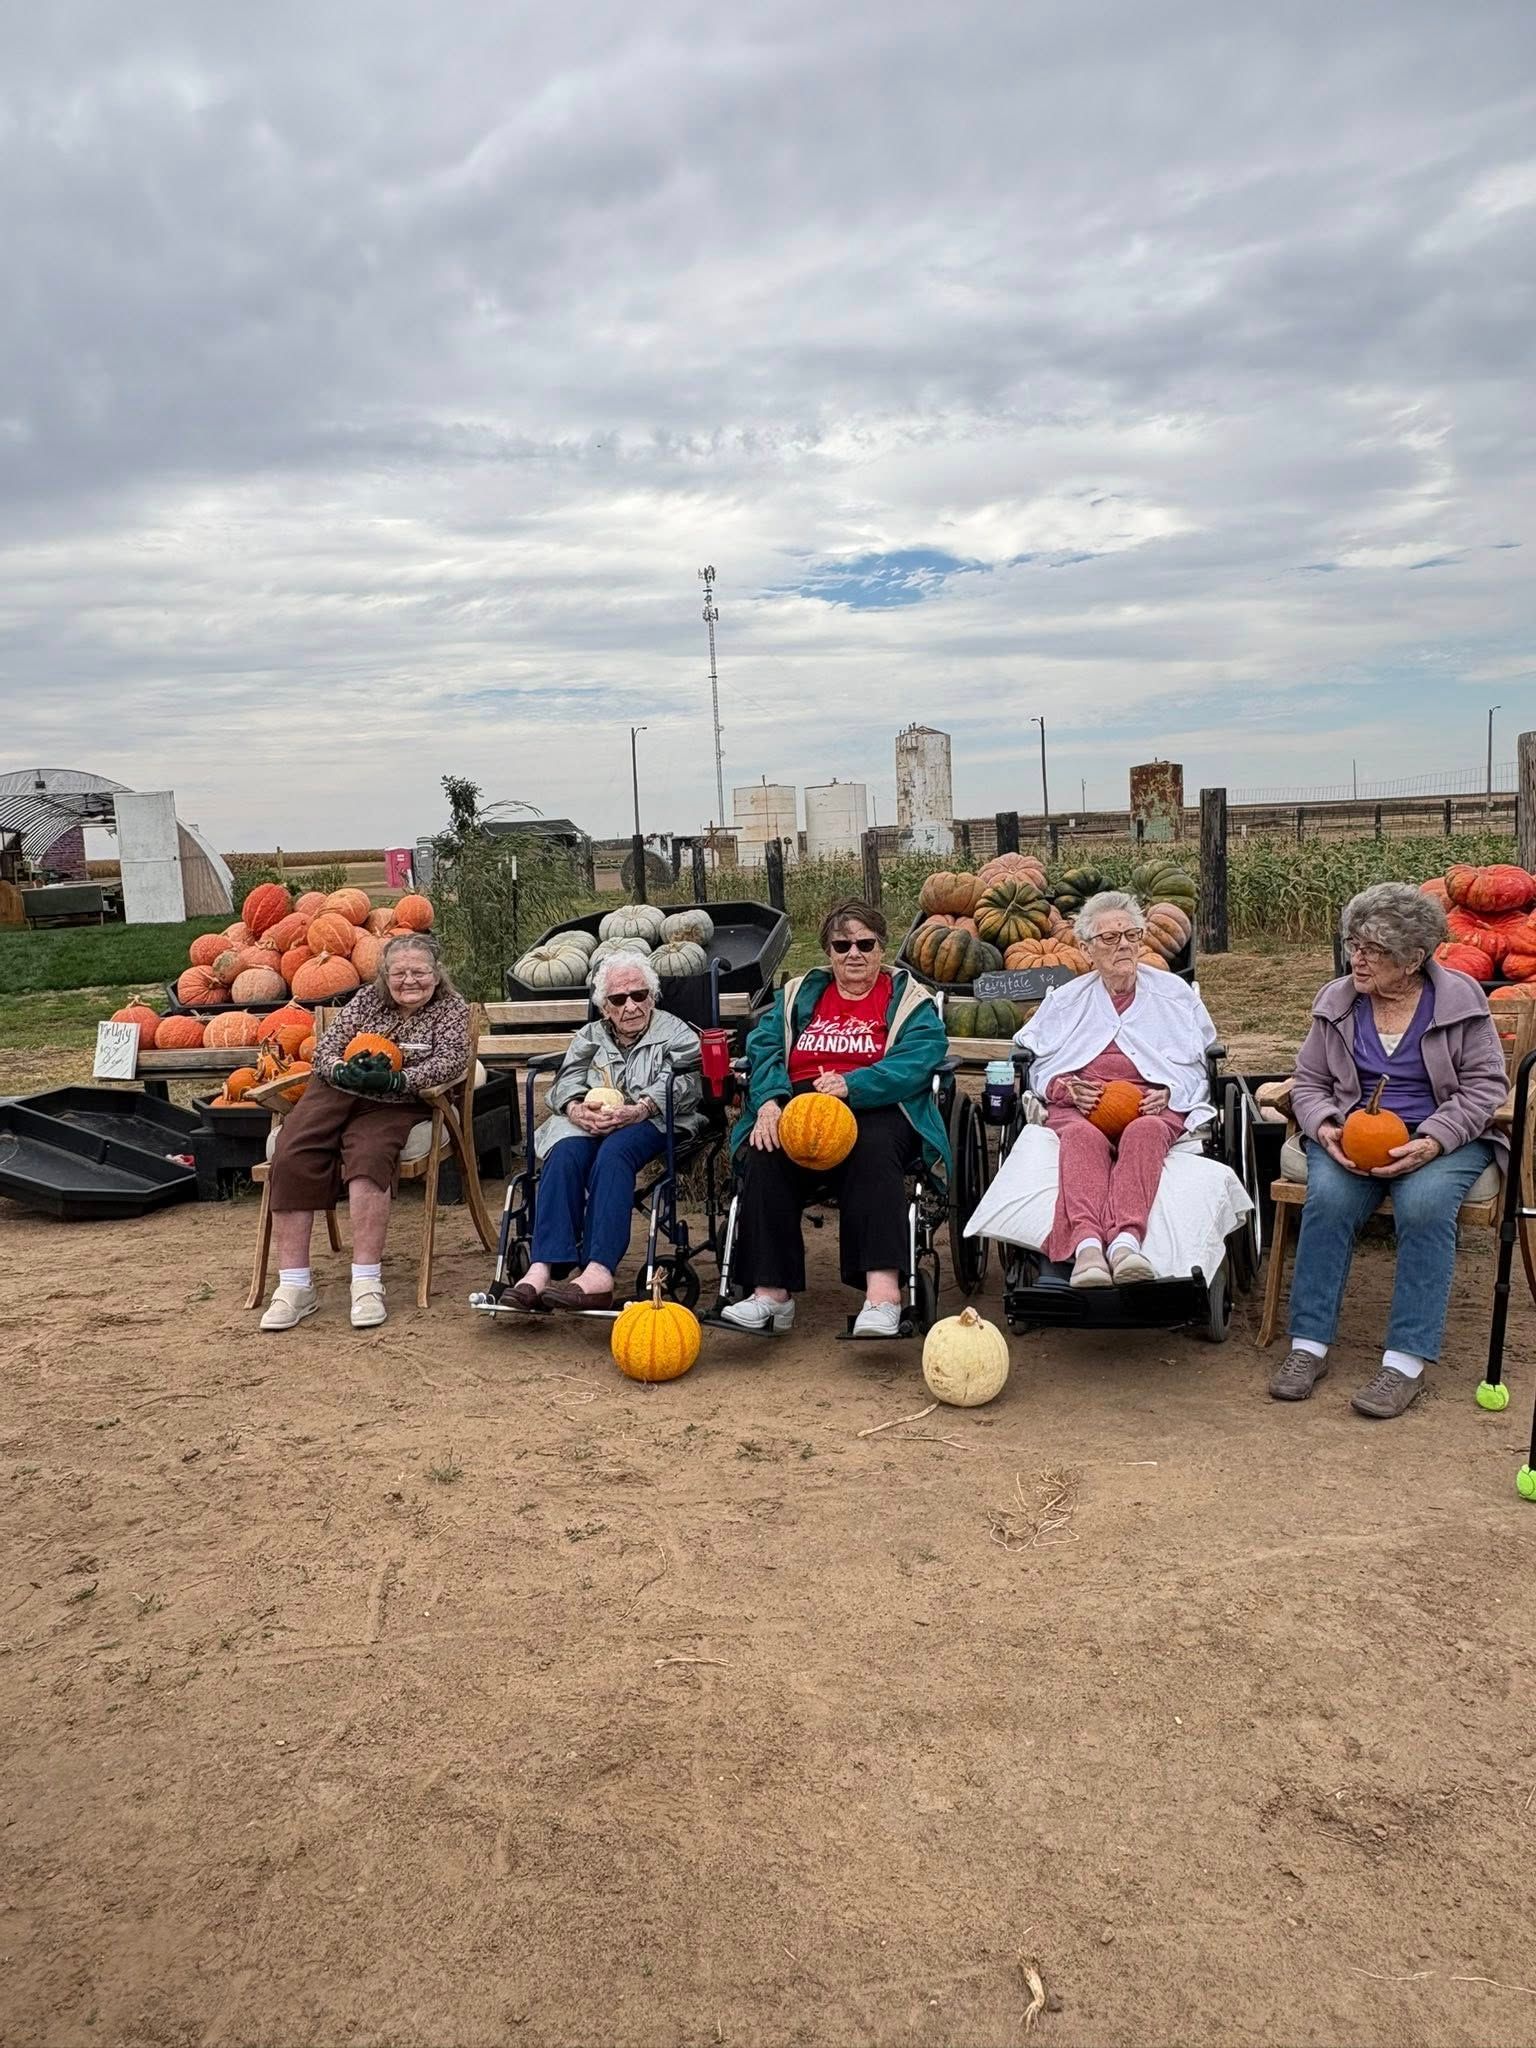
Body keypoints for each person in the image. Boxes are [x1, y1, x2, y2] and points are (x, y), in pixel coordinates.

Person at [1270, 882, 1507, 1418]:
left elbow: (1487, 1087)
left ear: (1413, 959)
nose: (1358, 959)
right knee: (1328, 1201)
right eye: (1355, 945)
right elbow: (1307, 1081)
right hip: (1355, 1136)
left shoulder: (1460, 1001)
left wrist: (1434, 1139)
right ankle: (1308, 1347)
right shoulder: (1338, 1002)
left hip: (1444, 1138)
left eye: (1374, 950)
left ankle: (1404, 1363)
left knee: (1424, 1206)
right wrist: (1325, 1125)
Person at [721, 899, 950, 1337]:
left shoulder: (907, 999)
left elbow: (921, 1057)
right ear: (828, 951)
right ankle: (771, 1294)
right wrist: (769, 1100)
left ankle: (883, 1295)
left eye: (866, 943)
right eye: (842, 945)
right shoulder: (800, 994)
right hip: (801, 1099)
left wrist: (855, 1084)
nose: (854, 954)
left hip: (880, 1102)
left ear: (882, 948)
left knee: (872, 1147)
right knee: (766, 1149)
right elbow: (764, 1047)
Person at [260, 932, 472, 1332]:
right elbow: (325, 1049)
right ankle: (294, 1286)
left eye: (420, 972)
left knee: (370, 1161)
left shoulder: (451, 1009)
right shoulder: (367, 1000)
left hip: (396, 1100)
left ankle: (367, 1281)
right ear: (384, 975)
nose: (410, 981)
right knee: (292, 1152)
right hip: (337, 1090)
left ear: (437, 973)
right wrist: (339, 1069)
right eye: (399, 973)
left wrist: (399, 1081)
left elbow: (451, 1061)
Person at [1019, 891, 1219, 1287]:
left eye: (1131, 935)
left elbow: (1201, 1064)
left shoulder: (1175, 995)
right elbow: (1034, 1064)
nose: (1124, 945)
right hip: (1082, 1106)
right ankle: (1088, 1246)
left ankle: (1126, 1243)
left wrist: (1172, 1093)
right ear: (1085, 948)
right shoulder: (1066, 1000)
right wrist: (1066, 1088)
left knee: (1144, 1133)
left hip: (1151, 1106)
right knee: (1079, 1137)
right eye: (1109, 939)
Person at [512, 954, 702, 1312]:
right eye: (618, 999)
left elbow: (689, 1083)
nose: (631, 1005)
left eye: (639, 995)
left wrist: (641, 1108)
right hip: (594, 1118)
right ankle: (543, 1266)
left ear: (652, 997)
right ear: (604, 1007)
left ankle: (598, 1272)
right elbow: (566, 1079)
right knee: (564, 1153)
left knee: (615, 1152)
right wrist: (575, 1109)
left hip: (657, 1120)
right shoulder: (590, 1036)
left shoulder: (675, 1032)